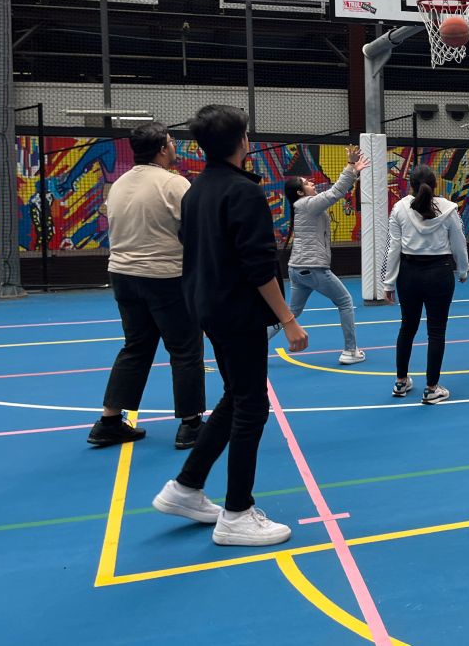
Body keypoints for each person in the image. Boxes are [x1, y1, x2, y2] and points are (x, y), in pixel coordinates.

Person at [152, 104, 309, 547]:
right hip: (236, 313)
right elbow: (258, 267)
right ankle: (237, 511)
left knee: (236, 396)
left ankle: (186, 486)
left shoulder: (195, 191)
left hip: (209, 308)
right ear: (242, 141)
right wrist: (288, 319)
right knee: (253, 407)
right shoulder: (244, 193)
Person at [87, 122, 206, 449]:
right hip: (165, 277)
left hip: (123, 276)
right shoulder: (174, 184)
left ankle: (109, 421)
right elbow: (197, 228)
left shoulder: (119, 184)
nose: (173, 147)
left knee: (136, 346)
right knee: (185, 349)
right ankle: (191, 424)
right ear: (162, 149)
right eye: (170, 142)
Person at [272, 147, 369, 365]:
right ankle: (350, 351)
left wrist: (353, 171)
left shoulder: (302, 205)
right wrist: (351, 166)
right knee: (345, 302)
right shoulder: (307, 204)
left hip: (297, 269)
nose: (312, 184)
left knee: (292, 312)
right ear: (299, 192)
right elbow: (335, 193)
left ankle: (255, 344)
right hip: (313, 268)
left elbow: (335, 192)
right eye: (307, 183)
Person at [383, 164, 469, 404]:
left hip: (408, 274)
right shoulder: (450, 208)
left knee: (407, 328)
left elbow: (394, 248)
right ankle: (432, 388)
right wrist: (463, 269)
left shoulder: (399, 208)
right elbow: (458, 242)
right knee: (436, 331)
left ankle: (401, 382)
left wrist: (388, 282)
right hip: (439, 274)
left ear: (410, 185)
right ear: (435, 185)